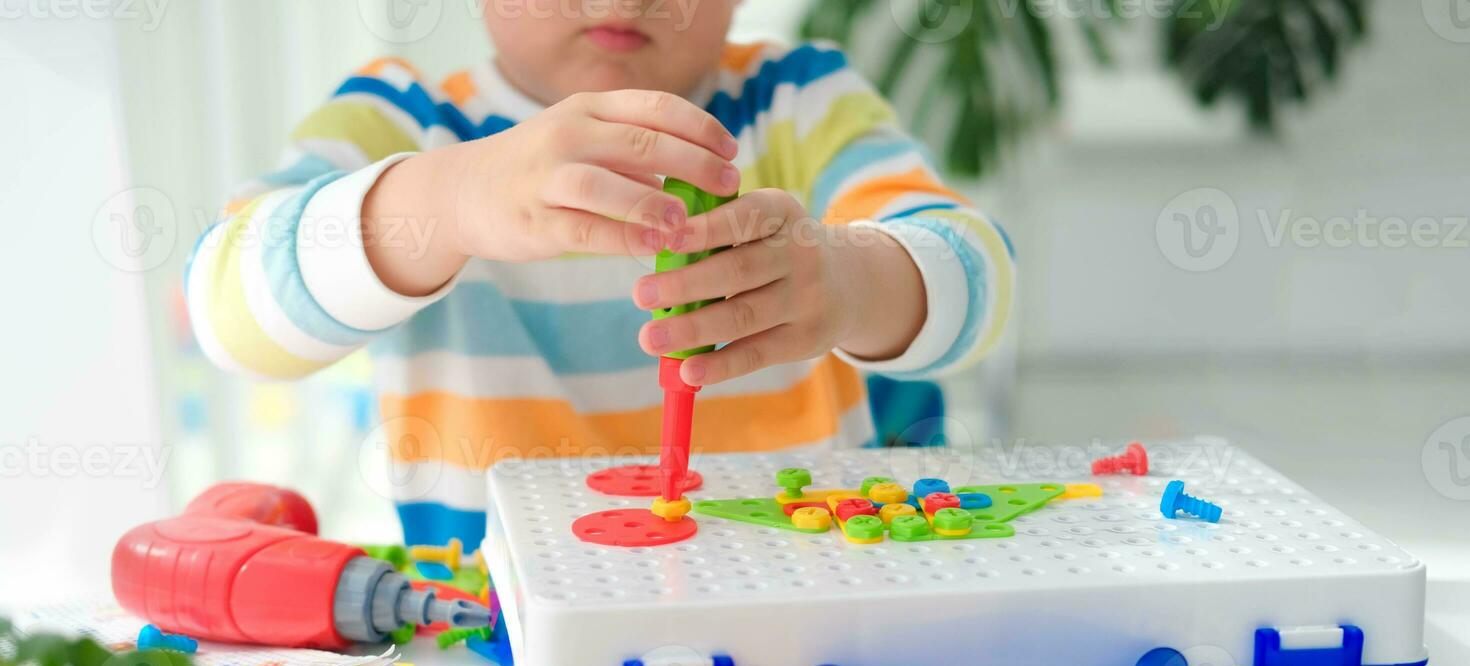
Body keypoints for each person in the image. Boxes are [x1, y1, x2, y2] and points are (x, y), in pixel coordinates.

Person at [185, 2, 1015, 547]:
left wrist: (854, 282)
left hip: (803, 597)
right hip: (493, 624)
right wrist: (442, 200)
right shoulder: (405, 118)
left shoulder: (797, 98)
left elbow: (979, 275)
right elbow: (224, 311)